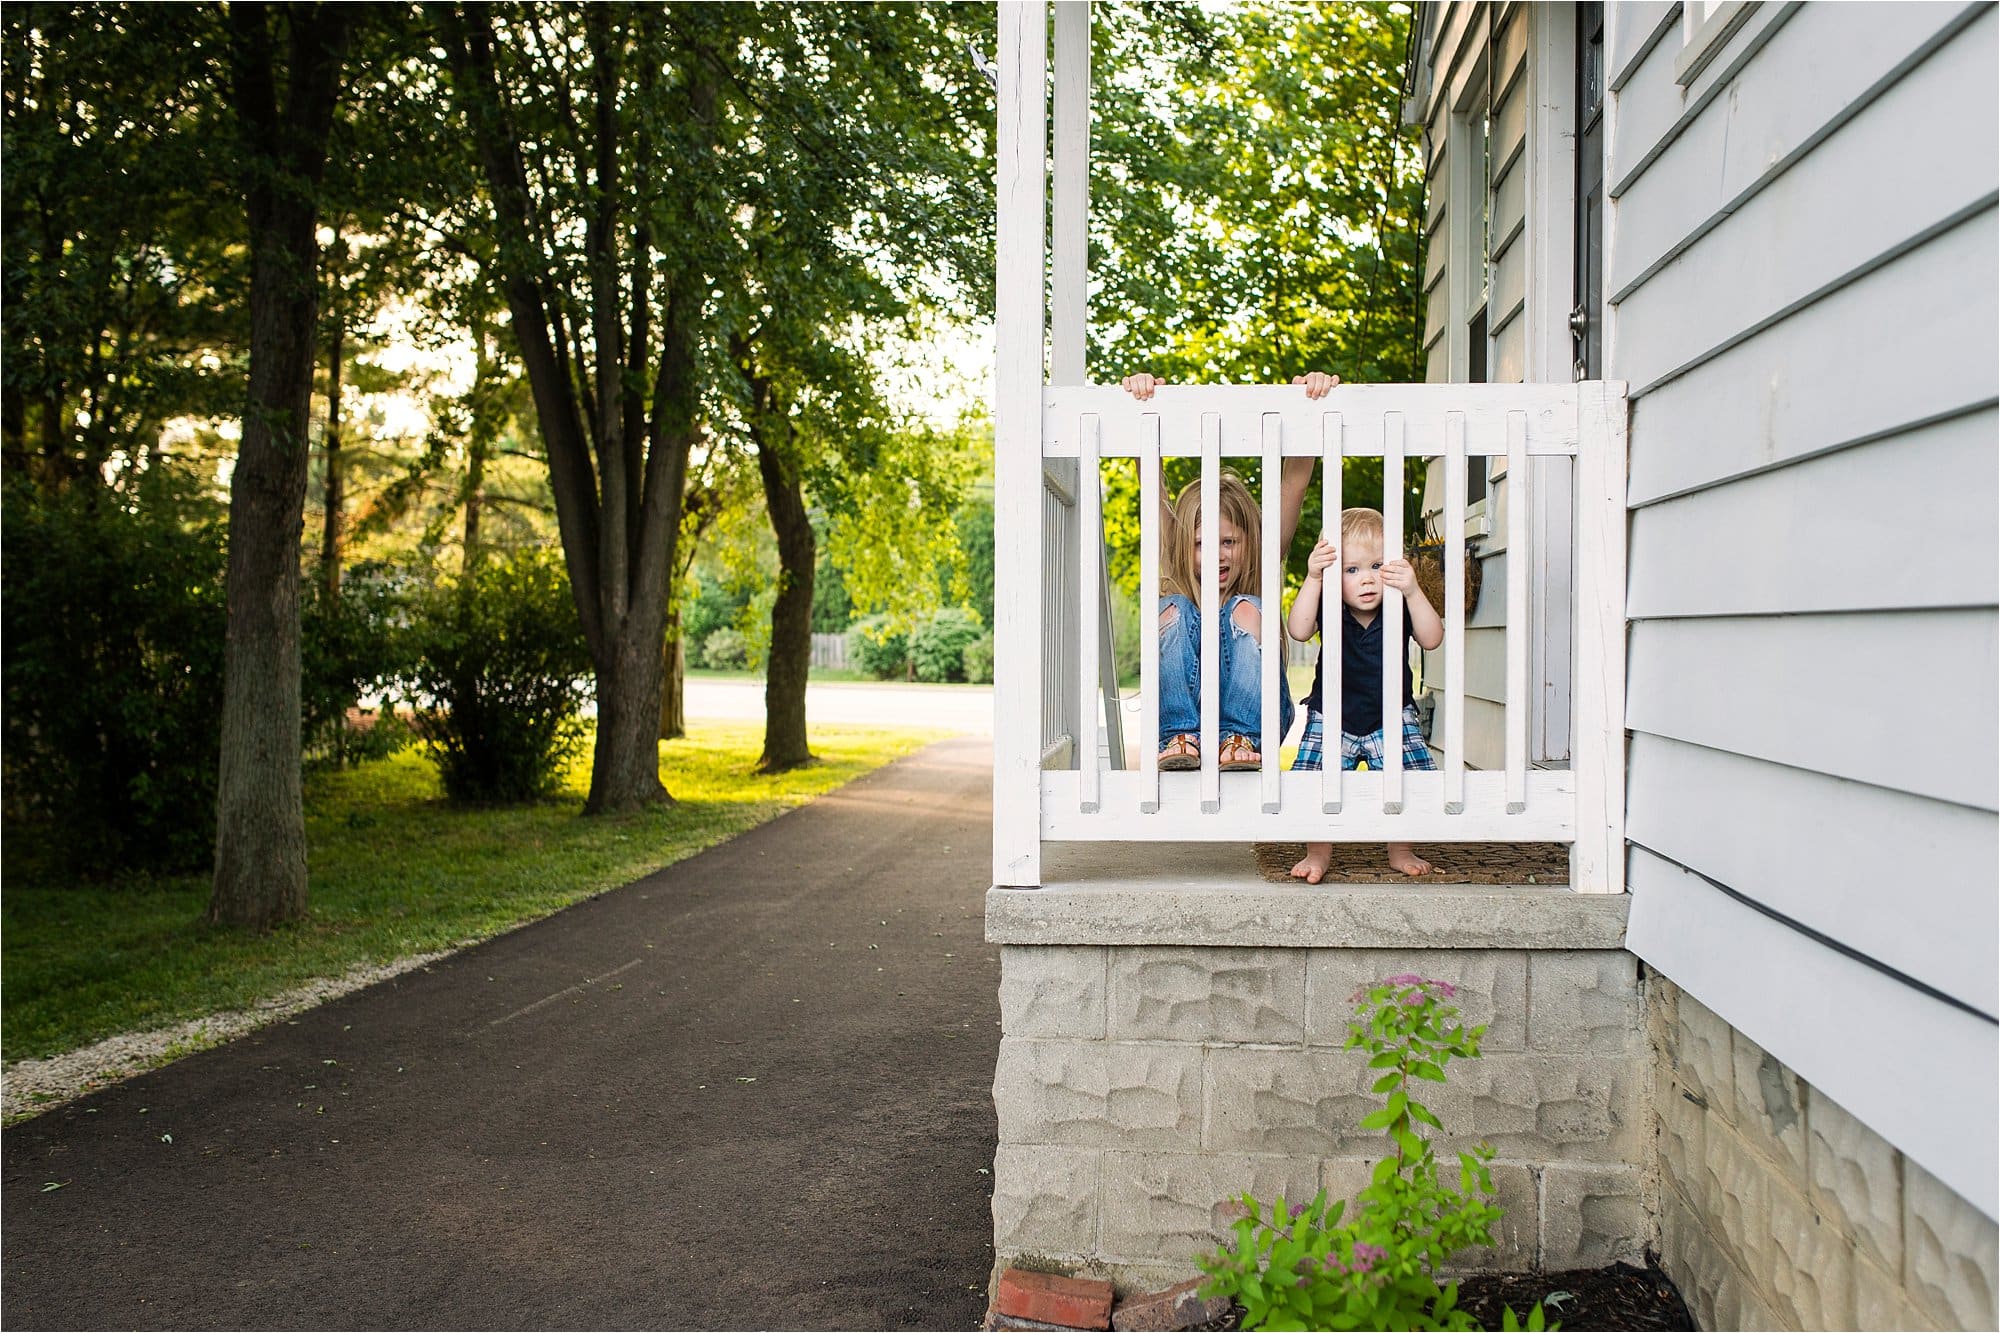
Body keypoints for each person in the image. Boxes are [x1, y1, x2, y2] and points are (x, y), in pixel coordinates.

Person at [1120, 371, 1337, 770]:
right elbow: (1151, 483)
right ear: (1185, 544)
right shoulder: (1175, 560)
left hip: (1255, 722)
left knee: (1247, 607)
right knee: (1170, 608)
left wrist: (1305, 404)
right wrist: (1147, 405)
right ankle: (1178, 736)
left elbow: (1295, 480)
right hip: (1184, 729)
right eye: (1201, 543)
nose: (1216, 555)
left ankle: (1240, 738)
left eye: (1229, 542)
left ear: (1248, 543)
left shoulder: (1261, 562)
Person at [1285, 506, 1444, 879]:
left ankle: (1400, 848)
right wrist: (1312, 578)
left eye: (1377, 566)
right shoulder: (1329, 606)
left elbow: (1433, 638)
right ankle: (1318, 852)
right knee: (1315, 782)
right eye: (1351, 570)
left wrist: (1413, 589)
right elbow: (1298, 629)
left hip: (1390, 716)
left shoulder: (1399, 605)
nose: (1367, 580)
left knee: (1408, 783)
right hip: (1332, 716)